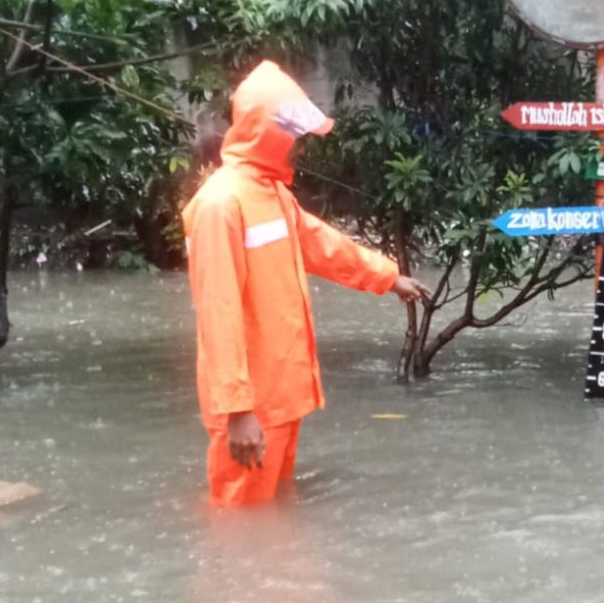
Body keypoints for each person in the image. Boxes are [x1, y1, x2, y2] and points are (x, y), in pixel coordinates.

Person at [182, 59, 431, 508]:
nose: (298, 146)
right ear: (270, 134)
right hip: (252, 404)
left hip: (282, 394)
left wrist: (389, 277)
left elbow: (323, 246)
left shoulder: (272, 194)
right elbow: (218, 313)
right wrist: (238, 411)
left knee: (270, 518)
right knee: (240, 523)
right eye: (292, 136)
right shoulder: (221, 205)